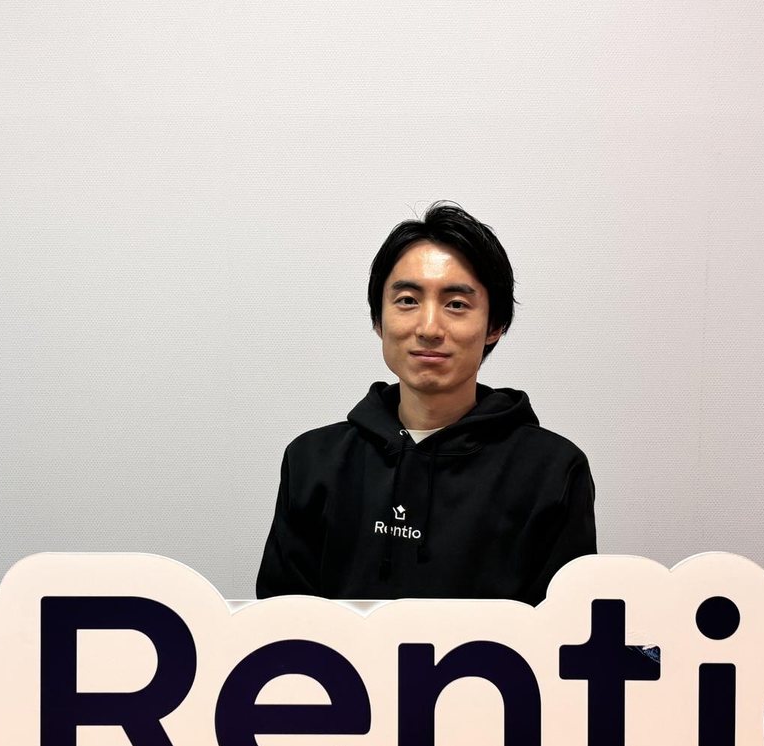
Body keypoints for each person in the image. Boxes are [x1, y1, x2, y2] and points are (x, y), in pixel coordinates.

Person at [255, 200, 597, 606]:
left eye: (456, 304)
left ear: (495, 326)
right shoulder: (312, 461)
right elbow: (281, 624)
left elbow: (565, 628)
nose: (429, 328)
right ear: (378, 319)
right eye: (407, 300)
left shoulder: (553, 470)